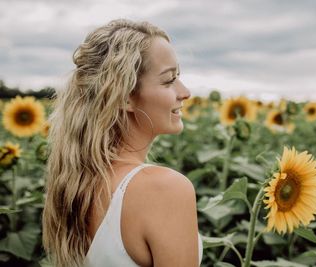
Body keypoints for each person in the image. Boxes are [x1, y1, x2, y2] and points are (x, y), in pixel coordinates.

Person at [42, 19, 202, 267]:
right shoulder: (165, 189)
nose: (185, 92)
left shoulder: (77, 183)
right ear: (125, 97)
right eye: (169, 80)